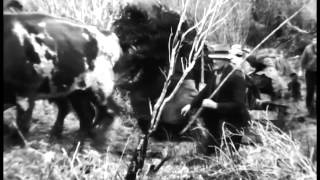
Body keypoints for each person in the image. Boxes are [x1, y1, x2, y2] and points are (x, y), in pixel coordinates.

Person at [181, 44, 250, 155]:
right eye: (213, 59)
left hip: (233, 123)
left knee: (229, 154)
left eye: (217, 59)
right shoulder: (214, 73)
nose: (214, 61)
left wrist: (215, 105)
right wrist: (191, 105)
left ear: (225, 61)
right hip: (217, 121)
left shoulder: (236, 77)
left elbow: (239, 105)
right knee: (210, 150)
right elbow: (205, 91)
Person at [301, 35, 317, 117]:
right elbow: (303, 60)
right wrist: (301, 70)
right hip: (310, 72)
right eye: (314, 40)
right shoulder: (308, 48)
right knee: (310, 90)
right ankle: (309, 107)